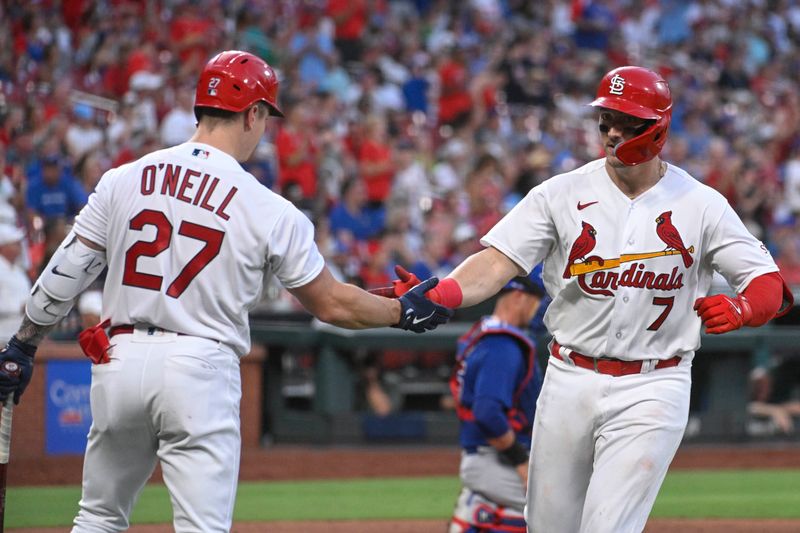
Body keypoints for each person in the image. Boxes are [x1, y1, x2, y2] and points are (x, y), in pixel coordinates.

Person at [0, 50, 452, 533]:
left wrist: (22, 344)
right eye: (265, 117)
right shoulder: (268, 207)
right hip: (200, 365)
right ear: (253, 113)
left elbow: (65, 272)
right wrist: (400, 310)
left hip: (120, 357)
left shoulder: (124, 177)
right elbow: (332, 303)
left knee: (98, 519)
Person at [388, 66, 794, 533]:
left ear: (657, 128)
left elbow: (768, 284)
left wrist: (743, 308)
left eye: (628, 121)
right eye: (606, 120)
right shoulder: (561, 193)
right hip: (568, 377)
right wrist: (441, 292)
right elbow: (498, 262)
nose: (613, 132)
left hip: (653, 384)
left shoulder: (701, 204)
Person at [449, 267, 545, 533]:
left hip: (486, 456)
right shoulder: (503, 346)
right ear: (519, 297)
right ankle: (483, 515)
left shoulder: (485, 333)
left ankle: (479, 511)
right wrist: (520, 463)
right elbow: (488, 412)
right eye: (538, 302)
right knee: (564, 516)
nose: (540, 311)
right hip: (498, 460)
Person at [0, 223, 30, 343]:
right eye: (15, 244)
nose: (20, 247)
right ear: (3, 247)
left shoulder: (19, 272)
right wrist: (19, 307)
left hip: (21, 337)